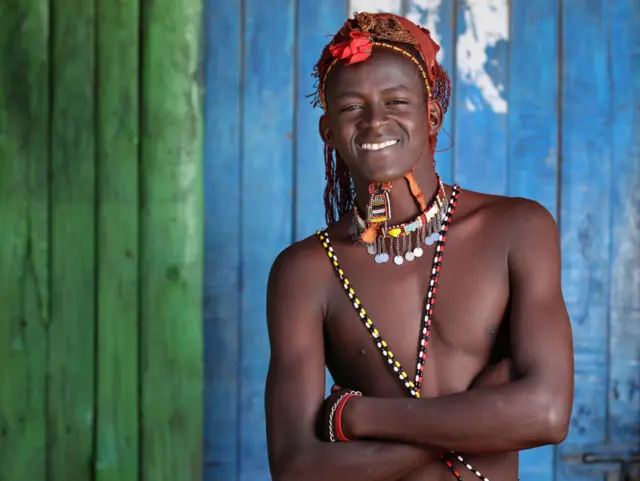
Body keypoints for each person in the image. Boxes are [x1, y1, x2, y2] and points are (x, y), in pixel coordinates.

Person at [264, 12, 574, 481]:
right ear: (328, 131)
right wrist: (485, 417)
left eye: (395, 101)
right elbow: (296, 467)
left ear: (430, 115)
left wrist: (353, 418)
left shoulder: (517, 229)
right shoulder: (305, 271)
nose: (374, 122)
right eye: (351, 108)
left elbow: (548, 413)